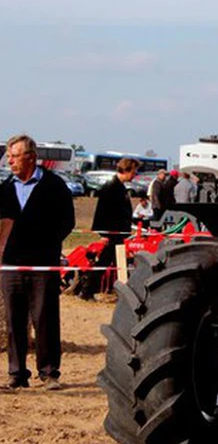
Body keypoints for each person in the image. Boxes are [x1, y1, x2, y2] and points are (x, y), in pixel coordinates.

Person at [0, 134, 75, 390]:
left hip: (43, 264)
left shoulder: (54, 186)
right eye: (8, 156)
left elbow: (68, 221)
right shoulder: (6, 189)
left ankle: (49, 373)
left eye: (14, 156)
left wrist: (47, 246)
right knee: (14, 321)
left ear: (30, 157)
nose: (9, 161)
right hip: (10, 265)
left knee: (45, 318)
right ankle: (17, 374)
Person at [82, 158, 139, 301]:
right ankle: (87, 290)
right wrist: (103, 234)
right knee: (104, 262)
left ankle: (120, 292)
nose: (135, 174)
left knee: (117, 262)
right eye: (133, 171)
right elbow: (102, 212)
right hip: (111, 234)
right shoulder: (111, 187)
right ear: (125, 170)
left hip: (119, 233)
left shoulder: (120, 187)